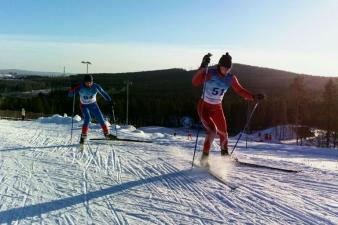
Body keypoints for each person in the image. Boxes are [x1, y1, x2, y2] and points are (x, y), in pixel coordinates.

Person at [192, 52, 264, 166]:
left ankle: (224, 155)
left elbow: (240, 90)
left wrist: (253, 97)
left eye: (228, 68)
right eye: (224, 67)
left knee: (224, 133)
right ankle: (204, 158)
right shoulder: (210, 73)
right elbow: (195, 82)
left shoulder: (231, 78)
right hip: (204, 106)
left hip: (217, 108)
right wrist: (202, 67)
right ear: (219, 65)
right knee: (212, 131)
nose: (226, 70)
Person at [68, 74, 116, 144]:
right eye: (87, 82)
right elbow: (70, 95)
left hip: (93, 104)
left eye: (90, 82)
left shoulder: (96, 86)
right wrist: (72, 88)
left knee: (101, 119)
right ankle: (83, 136)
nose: (89, 84)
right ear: (84, 82)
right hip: (84, 105)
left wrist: (110, 100)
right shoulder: (80, 87)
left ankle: (107, 134)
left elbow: (103, 93)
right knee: (87, 118)